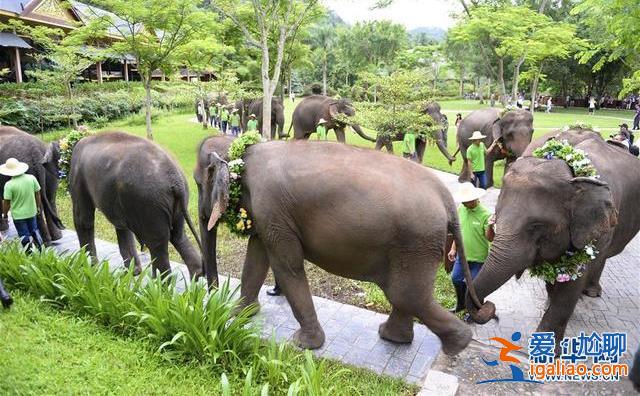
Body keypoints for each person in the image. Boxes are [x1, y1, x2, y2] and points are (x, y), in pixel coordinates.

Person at [447, 182, 495, 317]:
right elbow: (458, 231)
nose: (463, 203)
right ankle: (461, 304)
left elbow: (490, 238)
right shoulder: (461, 209)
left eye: (465, 201)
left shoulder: (486, 214)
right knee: (456, 278)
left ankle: (474, 310)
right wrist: (453, 249)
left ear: (474, 199)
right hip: (462, 256)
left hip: (479, 259)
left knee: (473, 286)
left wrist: (491, 227)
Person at [1, 158, 44, 252]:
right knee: (35, 230)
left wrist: (5, 215)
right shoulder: (31, 178)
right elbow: (37, 193)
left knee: (24, 235)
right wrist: (37, 206)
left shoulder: (9, 185)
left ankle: (29, 253)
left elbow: (7, 202)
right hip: (32, 212)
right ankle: (41, 250)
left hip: (18, 216)